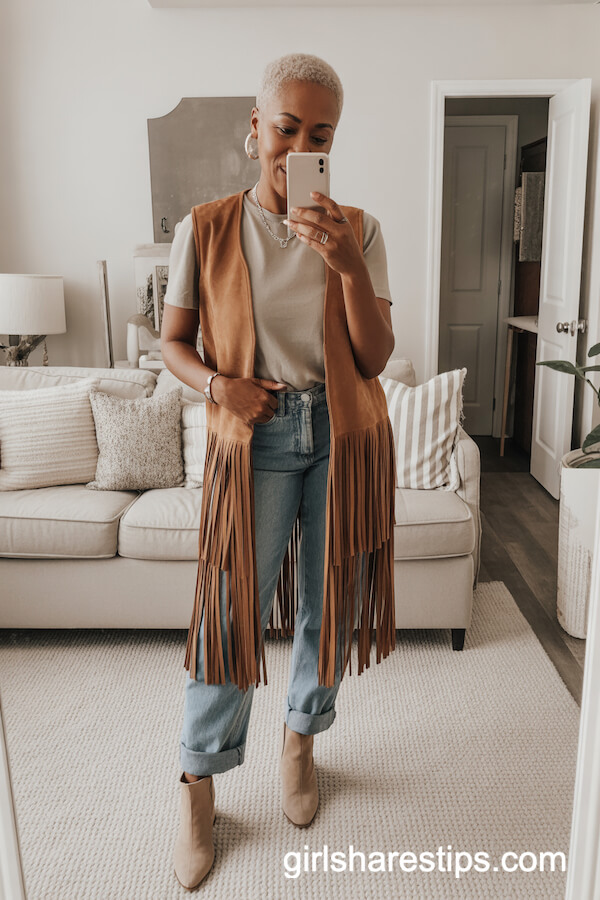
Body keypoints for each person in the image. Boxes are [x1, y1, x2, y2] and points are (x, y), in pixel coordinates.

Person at [161, 52, 396, 891]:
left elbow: (372, 356)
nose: (299, 142)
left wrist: (348, 267)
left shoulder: (357, 228)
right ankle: (198, 783)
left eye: (319, 132)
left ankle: (302, 739)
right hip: (251, 435)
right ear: (253, 131)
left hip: (344, 430)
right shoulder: (207, 226)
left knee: (328, 603)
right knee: (229, 614)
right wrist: (220, 384)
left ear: (332, 142)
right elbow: (174, 345)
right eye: (286, 126)